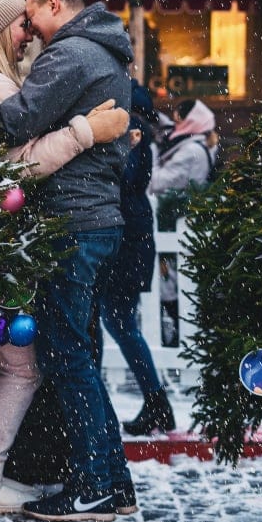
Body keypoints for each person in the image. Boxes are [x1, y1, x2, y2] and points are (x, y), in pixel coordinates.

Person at [0, 0, 129, 514]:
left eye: (31, 17)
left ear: (52, 3)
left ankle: (94, 486)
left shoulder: (69, 54)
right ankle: (111, 483)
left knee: (66, 357)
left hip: (74, 218)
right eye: (19, 25)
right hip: (92, 218)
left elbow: (18, 123)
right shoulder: (103, 50)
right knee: (75, 356)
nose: (30, 32)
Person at [96, 82, 176, 437]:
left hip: (127, 236)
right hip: (133, 233)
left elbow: (124, 177)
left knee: (118, 322)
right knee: (118, 321)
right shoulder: (136, 125)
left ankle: (157, 402)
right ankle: (157, 402)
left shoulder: (131, 128)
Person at [149, 98, 218, 196]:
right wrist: (154, 115)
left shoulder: (191, 150)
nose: (174, 126)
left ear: (186, 122)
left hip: (171, 205)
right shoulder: (202, 140)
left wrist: (152, 148)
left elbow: (157, 183)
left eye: (177, 121)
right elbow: (171, 126)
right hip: (189, 204)